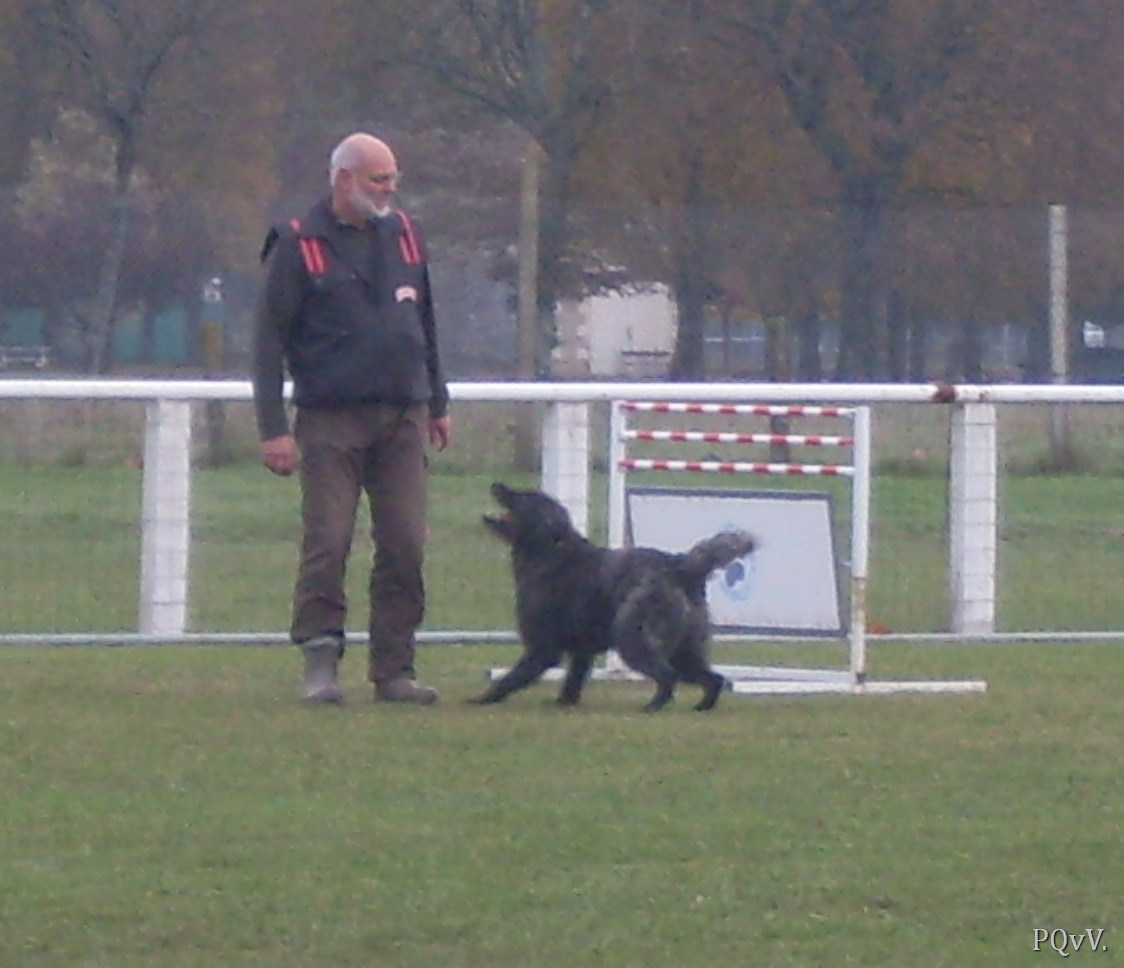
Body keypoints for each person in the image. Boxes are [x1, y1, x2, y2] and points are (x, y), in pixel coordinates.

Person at [252, 132, 452, 705]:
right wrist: (272, 428)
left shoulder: (406, 234)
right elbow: (267, 342)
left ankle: (395, 669)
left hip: (403, 416)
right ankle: (320, 659)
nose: (390, 189)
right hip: (330, 420)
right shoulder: (298, 244)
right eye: (378, 179)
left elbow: (426, 322)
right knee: (329, 540)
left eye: (393, 179)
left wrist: (438, 401)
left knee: (406, 543)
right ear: (343, 178)